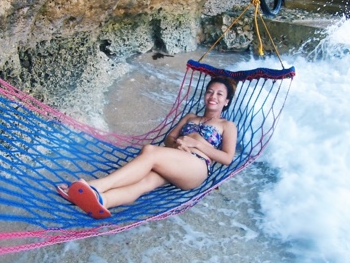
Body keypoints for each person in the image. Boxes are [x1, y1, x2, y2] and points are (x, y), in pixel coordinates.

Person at [57, 77, 238, 218]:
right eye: (210, 92)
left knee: (150, 151)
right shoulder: (191, 117)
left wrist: (196, 144)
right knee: (144, 183)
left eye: (219, 94)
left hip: (197, 167)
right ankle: (102, 200)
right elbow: (169, 138)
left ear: (226, 101)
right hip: (175, 162)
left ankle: (95, 186)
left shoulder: (227, 125)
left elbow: (227, 158)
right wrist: (178, 144)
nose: (213, 96)